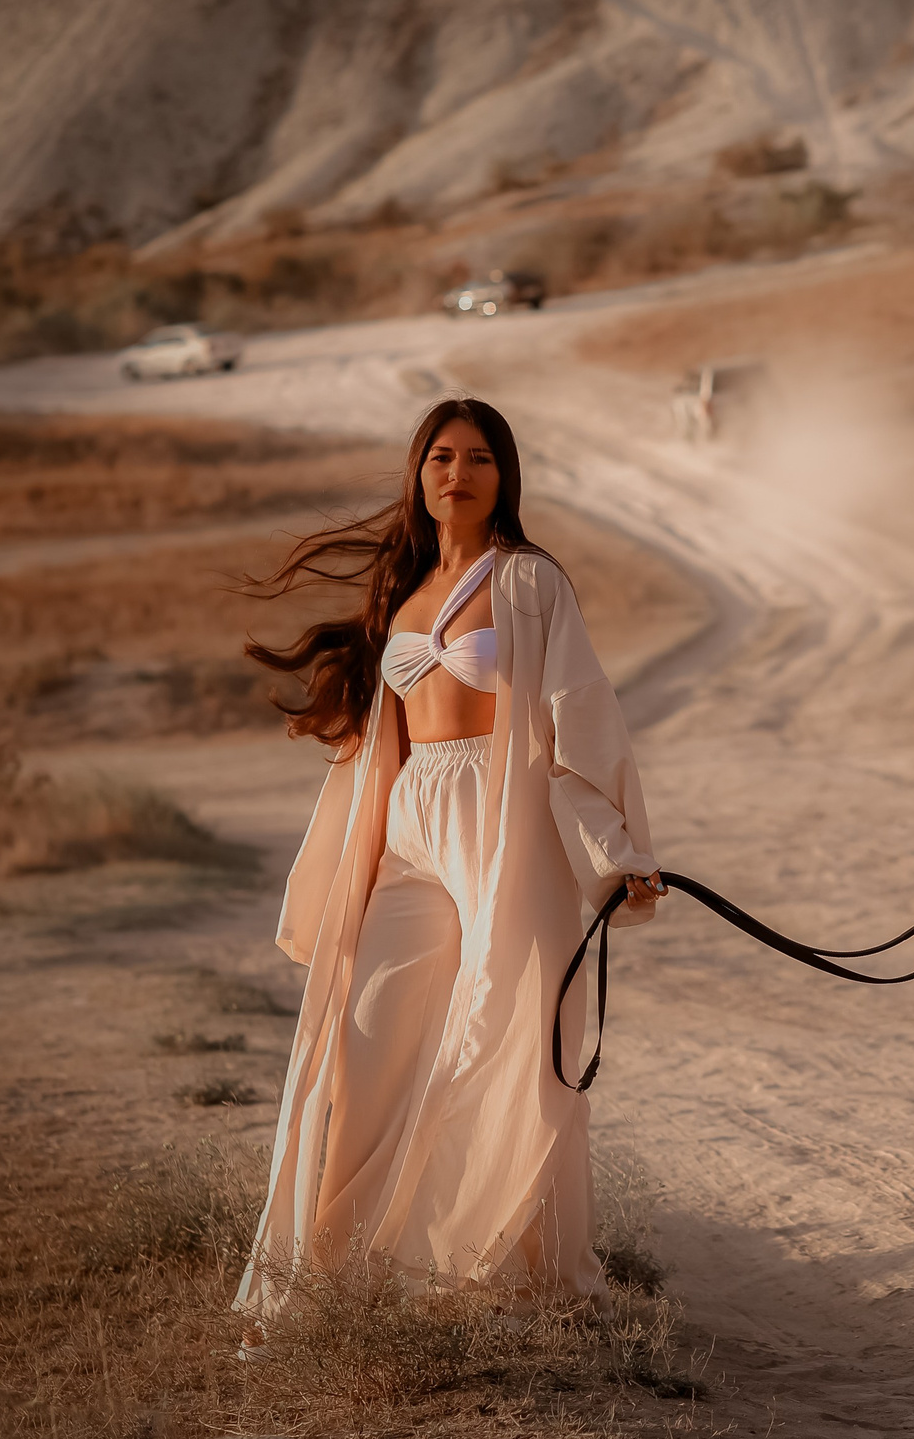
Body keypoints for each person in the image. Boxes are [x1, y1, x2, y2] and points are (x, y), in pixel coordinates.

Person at [231, 397, 665, 1320]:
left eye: (477, 457)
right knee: (367, 1036)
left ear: (503, 476)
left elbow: (578, 718)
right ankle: (343, 1274)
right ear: (418, 474)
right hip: (410, 824)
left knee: (503, 1034)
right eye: (440, 456)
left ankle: (493, 1274)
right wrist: (347, 860)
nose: (457, 473)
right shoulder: (400, 588)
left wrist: (621, 849)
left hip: (502, 819)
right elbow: (370, 746)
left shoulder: (532, 582)